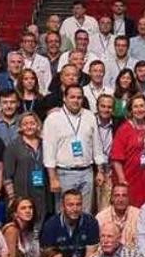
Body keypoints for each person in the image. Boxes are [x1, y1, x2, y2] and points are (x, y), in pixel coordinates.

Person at [43, 84, 107, 213]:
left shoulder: (89, 116)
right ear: (64, 98)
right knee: (64, 213)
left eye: (79, 97)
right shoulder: (53, 119)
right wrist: (53, 178)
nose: (76, 100)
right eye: (72, 97)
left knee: (85, 213)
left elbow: (97, 145)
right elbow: (49, 150)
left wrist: (100, 170)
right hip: (64, 173)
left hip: (87, 172)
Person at [40, 188, 101, 257]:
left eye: (78, 204)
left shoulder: (91, 222)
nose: (75, 209)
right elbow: (48, 256)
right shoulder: (51, 225)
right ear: (62, 207)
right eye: (70, 205)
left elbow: (91, 254)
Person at [3, 111, 49, 223]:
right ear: (20, 127)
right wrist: (12, 197)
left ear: (38, 125)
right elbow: (7, 175)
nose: (29, 126)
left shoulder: (45, 144)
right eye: (25, 124)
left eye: (32, 123)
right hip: (22, 192)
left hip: (43, 191)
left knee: (42, 220)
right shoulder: (13, 146)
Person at [109, 94, 145, 206]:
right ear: (131, 110)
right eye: (136, 107)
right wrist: (122, 179)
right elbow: (116, 158)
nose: (139, 109)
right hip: (129, 177)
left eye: (142, 106)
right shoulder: (124, 129)